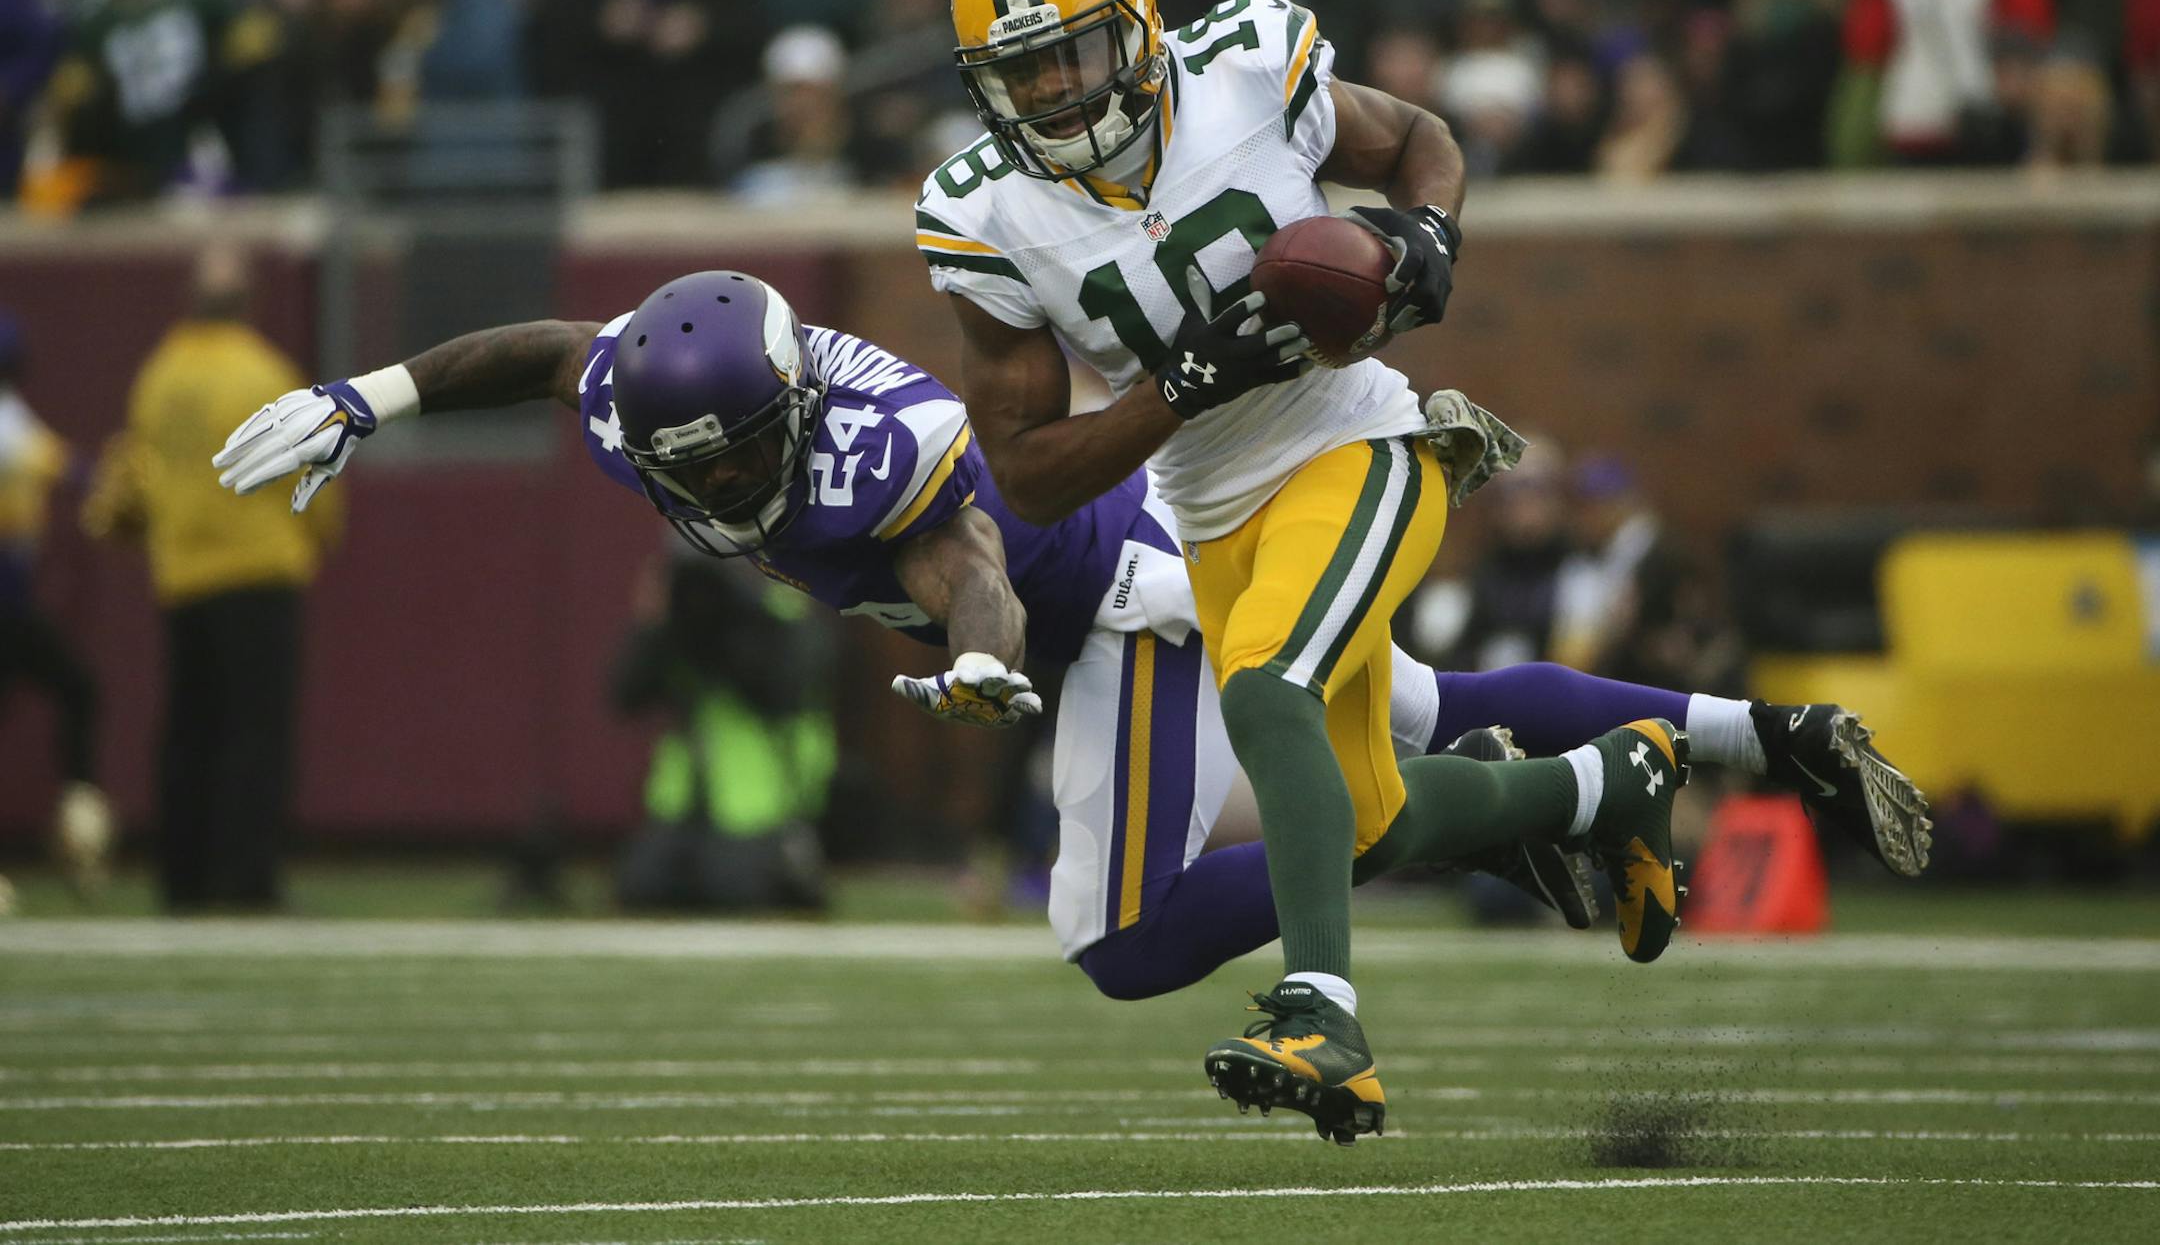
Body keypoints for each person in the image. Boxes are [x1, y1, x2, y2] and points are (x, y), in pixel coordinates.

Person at [212, 275, 1927, 1021]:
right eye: (701, 467)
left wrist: (977, 659)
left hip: (1126, 606)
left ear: (786, 403)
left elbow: (963, 552)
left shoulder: (860, 444)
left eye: (744, 453)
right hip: (1132, 585)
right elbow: (549, 346)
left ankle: (1568, 798)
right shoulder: (657, 389)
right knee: (1413, 702)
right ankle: (1754, 739)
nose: (727, 484)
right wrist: (364, 396)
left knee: (1128, 928)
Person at [921, 0, 1923, 1141]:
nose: (1055, 90)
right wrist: (1182, 383)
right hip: (1208, 515)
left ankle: (1321, 1013)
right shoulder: (986, 213)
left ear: (1137, 25)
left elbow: (1417, 140)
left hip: (1359, 444)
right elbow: (1027, 475)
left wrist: (1430, 233)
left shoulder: (1243, 67)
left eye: (1070, 51)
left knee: (1269, 688)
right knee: (1370, 818)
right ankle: (1599, 786)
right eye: (1020, 70)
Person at [82, 246, 340, 911]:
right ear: (247, 302)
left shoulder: (158, 378)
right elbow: (315, 463)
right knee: (256, 734)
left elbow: (131, 481)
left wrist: (142, 531)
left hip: (183, 576)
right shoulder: (264, 371)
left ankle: (182, 879)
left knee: (188, 731)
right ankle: (247, 879)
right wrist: (315, 535)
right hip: (260, 569)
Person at [610, 552, 835, 913]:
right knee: (643, 888)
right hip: (681, 801)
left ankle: (791, 860)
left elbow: (781, 693)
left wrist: (735, 628)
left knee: (735, 890)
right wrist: (652, 627)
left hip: (759, 800)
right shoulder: (677, 619)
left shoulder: (783, 609)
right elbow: (625, 696)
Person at [0, 312, 112, 894]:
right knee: (79, 688)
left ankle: (78, 814)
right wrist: (117, 475)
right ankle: (78, 815)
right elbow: (65, 467)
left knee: (76, 688)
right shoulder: (8, 423)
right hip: (7, 606)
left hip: (12, 607)